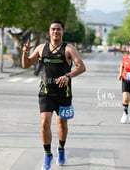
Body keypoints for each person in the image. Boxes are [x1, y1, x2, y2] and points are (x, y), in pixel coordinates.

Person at [22, 20, 86, 170]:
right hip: (45, 92)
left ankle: (61, 149)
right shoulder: (41, 48)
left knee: (62, 123)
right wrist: (25, 52)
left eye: (58, 29)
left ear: (62, 32)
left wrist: (67, 76)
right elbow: (26, 64)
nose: (55, 31)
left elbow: (81, 67)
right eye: (53, 29)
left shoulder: (69, 49)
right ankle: (48, 154)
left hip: (64, 93)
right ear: (49, 31)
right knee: (44, 122)